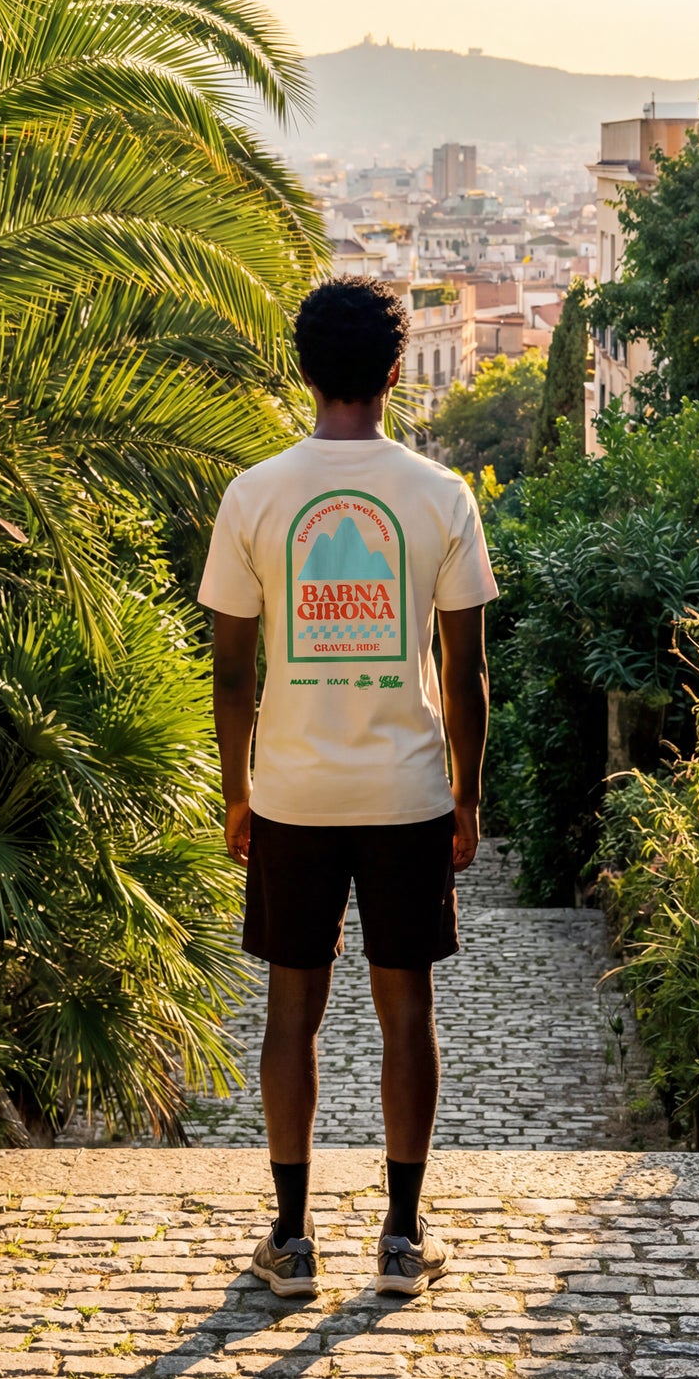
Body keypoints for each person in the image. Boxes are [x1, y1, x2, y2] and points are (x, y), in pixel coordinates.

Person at [198, 275, 497, 1300]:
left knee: (292, 1009)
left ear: (301, 369)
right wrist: (464, 796)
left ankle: (288, 1237)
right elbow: (466, 671)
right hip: (407, 790)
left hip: (290, 790)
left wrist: (235, 790)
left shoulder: (253, 495)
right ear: (394, 370)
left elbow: (232, 670)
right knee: (404, 1008)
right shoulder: (439, 495)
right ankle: (403, 1238)